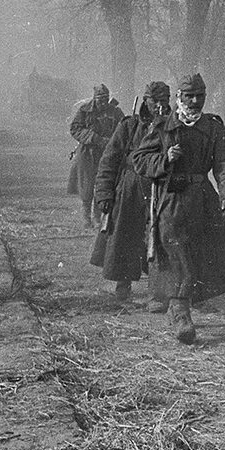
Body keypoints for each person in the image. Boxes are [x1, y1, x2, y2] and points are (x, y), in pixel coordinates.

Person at [131, 74, 225, 344]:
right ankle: (180, 311)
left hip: (203, 200)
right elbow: (140, 160)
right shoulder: (163, 126)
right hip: (172, 199)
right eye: (189, 96)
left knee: (200, 254)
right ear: (178, 97)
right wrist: (164, 160)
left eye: (199, 96)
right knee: (176, 249)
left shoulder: (213, 127)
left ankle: (180, 304)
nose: (194, 101)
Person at [90, 81, 170, 303]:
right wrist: (104, 194)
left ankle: (159, 291)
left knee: (161, 238)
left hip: (161, 187)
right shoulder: (129, 126)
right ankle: (122, 284)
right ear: (146, 101)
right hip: (130, 187)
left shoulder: (173, 126)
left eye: (165, 101)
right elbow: (109, 161)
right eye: (156, 101)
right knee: (124, 235)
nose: (160, 106)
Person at [68, 84, 124, 227]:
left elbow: (123, 129)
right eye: (100, 100)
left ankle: (98, 217)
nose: (103, 104)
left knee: (103, 184)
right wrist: (95, 138)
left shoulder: (115, 112)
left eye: (106, 100)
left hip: (107, 153)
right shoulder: (85, 111)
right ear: (94, 99)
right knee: (86, 185)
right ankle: (86, 216)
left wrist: (112, 141)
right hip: (88, 152)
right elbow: (75, 128)